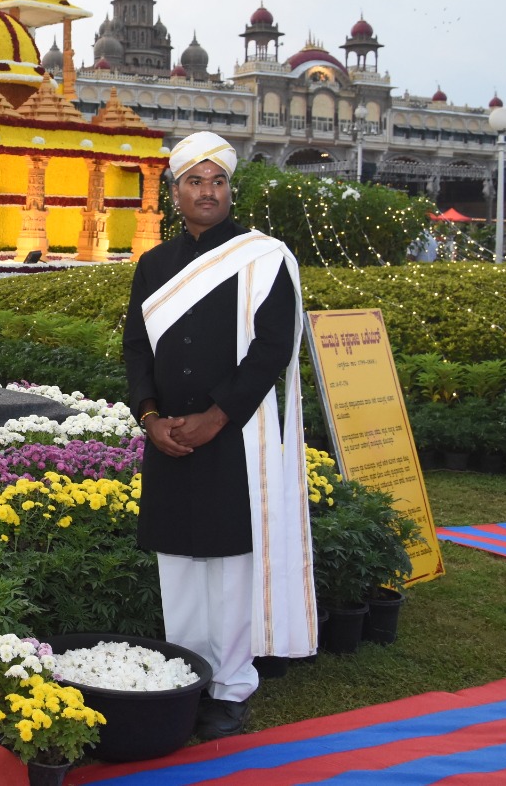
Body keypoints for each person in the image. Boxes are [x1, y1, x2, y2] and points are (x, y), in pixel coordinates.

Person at [121, 131, 316, 741]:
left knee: (232, 565)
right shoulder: (152, 264)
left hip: (236, 434)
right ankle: (186, 675)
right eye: (194, 181)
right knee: (178, 561)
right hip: (168, 435)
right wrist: (150, 417)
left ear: (232, 189)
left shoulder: (263, 257)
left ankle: (230, 686)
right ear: (173, 191)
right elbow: (136, 349)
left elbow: (271, 351)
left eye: (218, 181)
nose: (207, 191)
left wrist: (214, 418)